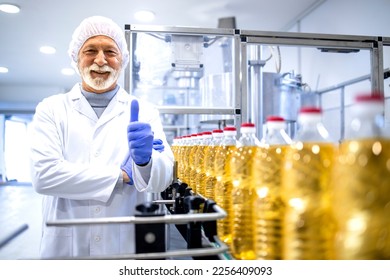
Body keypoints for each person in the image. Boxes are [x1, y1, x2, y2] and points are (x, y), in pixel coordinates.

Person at [29, 16, 174, 259]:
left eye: (110, 51)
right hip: (66, 250)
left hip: (125, 245)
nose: (100, 59)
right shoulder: (51, 109)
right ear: (76, 57)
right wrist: (122, 175)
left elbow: (162, 179)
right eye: (90, 50)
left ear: (122, 60)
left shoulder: (145, 111)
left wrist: (145, 163)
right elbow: (44, 176)